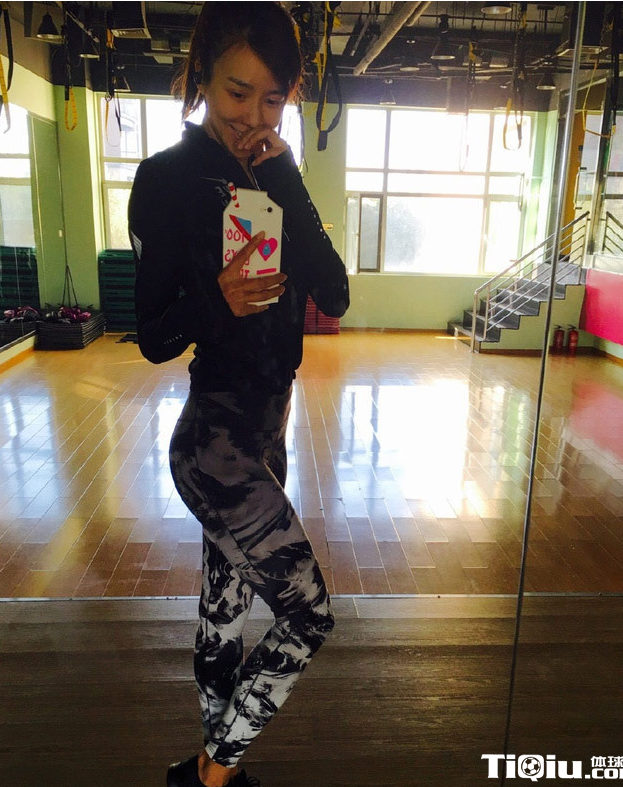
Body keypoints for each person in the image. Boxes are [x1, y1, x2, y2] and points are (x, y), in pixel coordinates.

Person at [127, 4, 350, 786]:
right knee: (308, 614)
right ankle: (212, 771)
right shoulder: (165, 179)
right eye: (236, 92)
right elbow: (152, 334)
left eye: (273, 99)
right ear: (201, 77)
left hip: (267, 433)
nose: (254, 116)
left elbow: (335, 292)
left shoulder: (275, 176)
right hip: (215, 445)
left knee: (225, 610)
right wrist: (215, 298)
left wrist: (286, 176)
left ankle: (210, 769)